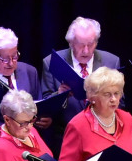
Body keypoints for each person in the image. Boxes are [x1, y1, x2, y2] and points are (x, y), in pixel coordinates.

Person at [40, 16, 121, 153]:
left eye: (90, 44)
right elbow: (45, 105)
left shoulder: (111, 62)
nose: (86, 50)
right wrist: (60, 95)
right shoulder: (52, 62)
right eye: (81, 45)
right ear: (71, 43)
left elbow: (121, 105)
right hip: (66, 139)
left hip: (102, 137)